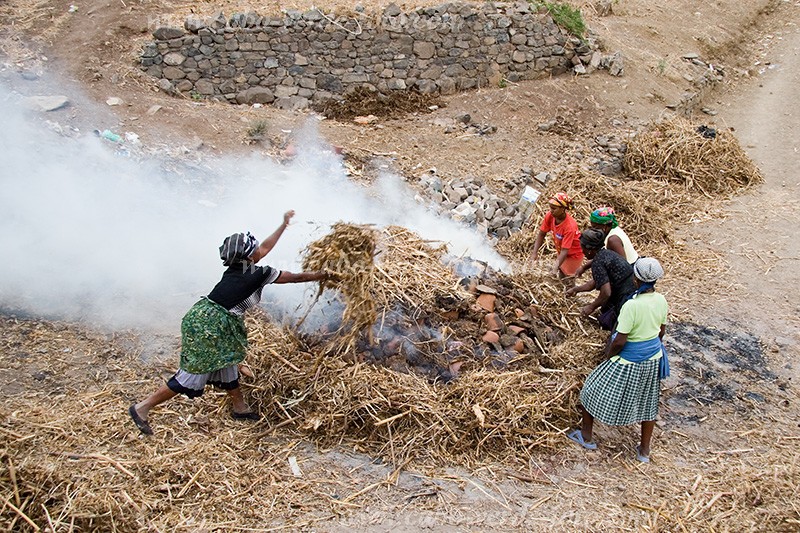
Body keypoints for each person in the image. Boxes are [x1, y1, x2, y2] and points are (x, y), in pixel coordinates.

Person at [129, 210, 329, 435]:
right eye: (253, 249)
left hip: (207, 317)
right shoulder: (256, 273)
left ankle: (239, 408)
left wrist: (283, 225)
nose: (259, 251)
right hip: (209, 325)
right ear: (247, 256)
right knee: (192, 375)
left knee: (227, 360)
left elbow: (264, 248)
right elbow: (295, 277)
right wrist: (325, 274)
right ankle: (142, 407)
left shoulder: (239, 267)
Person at [567, 257, 669, 463]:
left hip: (630, 358)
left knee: (590, 390)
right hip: (653, 357)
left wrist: (609, 358)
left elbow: (620, 340)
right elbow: (661, 331)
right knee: (649, 403)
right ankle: (644, 451)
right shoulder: (661, 300)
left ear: (636, 280)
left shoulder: (631, 306)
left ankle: (586, 437)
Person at [566, 227, 635, 330]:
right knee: (604, 309)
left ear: (589, 249)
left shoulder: (598, 262)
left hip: (625, 297)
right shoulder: (606, 253)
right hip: (632, 291)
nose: (582, 251)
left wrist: (591, 307)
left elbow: (606, 292)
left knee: (606, 320)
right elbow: (597, 282)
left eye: (582, 248)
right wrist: (576, 289)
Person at [528, 192, 584, 281]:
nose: (551, 210)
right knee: (560, 271)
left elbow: (565, 251)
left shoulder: (570, 226)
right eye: (550, 208)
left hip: (573, 254)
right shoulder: (550, 216)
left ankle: (570, 292)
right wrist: (534, 253)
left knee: (568, 277)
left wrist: (554, 268)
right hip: (562, 250)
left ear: (563, 209)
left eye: (554, 208)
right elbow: (542, 234)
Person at [575, 206, 638, 277]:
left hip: (630, 270)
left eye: (595, 227)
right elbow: (602, 255)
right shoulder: (609, 231)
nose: (593, 230)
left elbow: (623, 265)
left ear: (604, 227)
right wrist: (584, 267)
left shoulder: (613, 240)